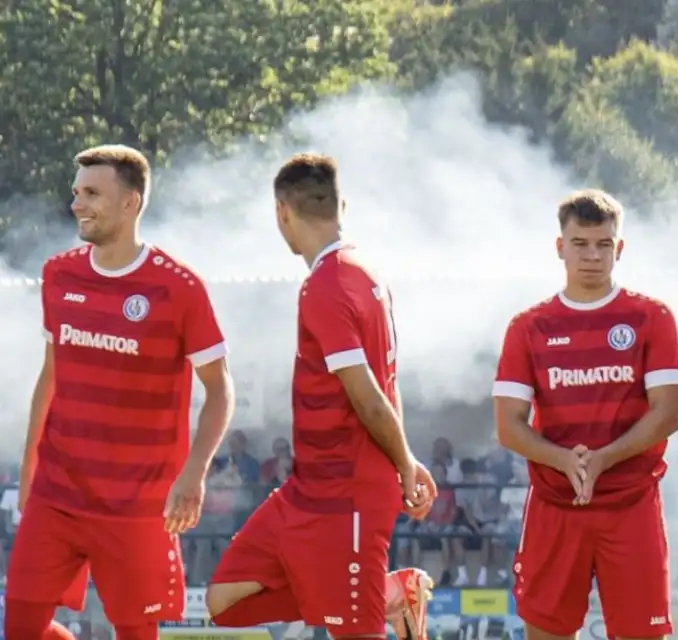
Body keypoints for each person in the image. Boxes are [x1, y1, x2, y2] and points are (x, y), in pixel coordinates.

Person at [5, 145, 234, 640]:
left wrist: (193, 474)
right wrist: (29, 472)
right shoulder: (59, 273)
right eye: (76, 192)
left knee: (135, 632)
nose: (77, 204)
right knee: (21, 626)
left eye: (92, 193)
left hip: (137, 506)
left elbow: (219, 389)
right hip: (57, 495)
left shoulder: (179, 287)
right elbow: (51, 375)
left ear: (130, 203)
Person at [205, 153, 436, 640]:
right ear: (340, 206)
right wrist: (406, 459)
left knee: (353, 634)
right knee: (223, 600)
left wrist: (404, 464)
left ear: (281, 213)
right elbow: (383, 386)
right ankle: (391, 594)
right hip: (308, 487)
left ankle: (378, 601)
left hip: (346, 493)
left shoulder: (327, 285)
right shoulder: (365, 273)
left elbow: (369, 396)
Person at [492, 189, 678, 640]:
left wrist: (604, 459)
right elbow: (508, 425)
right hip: (555, 506)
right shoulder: (529, 326)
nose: (592, 256)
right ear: (560, 247)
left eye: (603, 244)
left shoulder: (651, 317)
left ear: (619, 248)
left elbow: (667, 413)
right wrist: (564, 460)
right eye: (580, 244)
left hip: (631, 504)